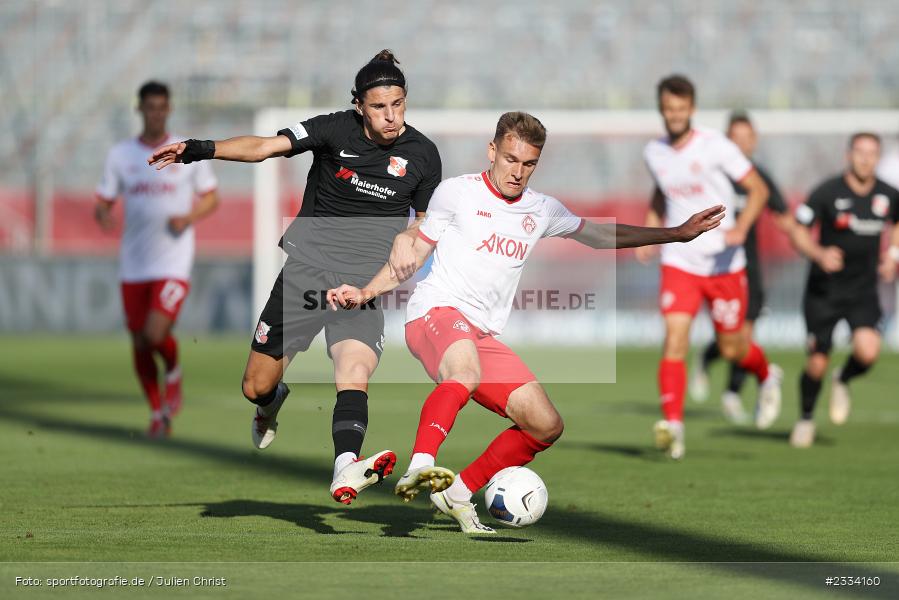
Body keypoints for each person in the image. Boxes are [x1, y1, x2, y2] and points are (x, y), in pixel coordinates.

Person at [327, 112, 724, 533]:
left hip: (481, 333)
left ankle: (458, 492)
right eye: (511, 159)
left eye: (529, 163)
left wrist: (675, 234)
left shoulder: (542, 209)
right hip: (435, 313)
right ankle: (422, 465)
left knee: (545, 424)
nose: (518, 172)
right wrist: (367, 292)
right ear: (492, 151)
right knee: (464, 372)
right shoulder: (456, 194)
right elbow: (414, 256)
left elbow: (601, 236)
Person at [149, 50, 442, 504]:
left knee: (354, 370)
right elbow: (264, 147)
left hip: (360, 286)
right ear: (360, 105)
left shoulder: (423, 154)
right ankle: (271, 402)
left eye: (399, 104)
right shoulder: (333, 128)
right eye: (380, 106)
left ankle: (345, 466)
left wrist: (412, 235)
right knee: (255, 386)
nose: (391, 116)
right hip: (305, 275)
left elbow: (426, 224)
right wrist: (197, 149)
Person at [635, 75, 783, 460]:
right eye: (669, 109)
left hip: (723, 263)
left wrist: (741, 229)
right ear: (661, 110)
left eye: (681, 109)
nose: (675, 115)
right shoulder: (654, 152)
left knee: (733, 349)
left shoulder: (716, 146)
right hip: (680, 260)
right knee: (675, 340)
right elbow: (661, 188)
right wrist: (652, 230)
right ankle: (674, 427)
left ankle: (767, 375)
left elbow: (759, 190)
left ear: (692, 110)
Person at [95, 81, 219, 438]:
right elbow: (102, 201)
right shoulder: (121, 155)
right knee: (138, 340)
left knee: (154, 332)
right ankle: (157, 411)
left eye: (162, 107)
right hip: (134, 263)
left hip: (173, 262)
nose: (156, 113)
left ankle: (175, 372)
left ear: (168, 109)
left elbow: (211, 198)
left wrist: (188, 218)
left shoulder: (183, 151)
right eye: (150, 107)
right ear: (140, 109)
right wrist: (103, 216)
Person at [787, 132, 899, 448]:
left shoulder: (888, 194)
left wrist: (892, 255)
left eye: (872, 153)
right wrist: (818, 253)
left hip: (863, 290)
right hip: (824, 291)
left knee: (868, 351)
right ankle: (806, 419)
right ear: (848, 155)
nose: (865, 159)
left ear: (878, 157)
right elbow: (798, 230)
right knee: (817, 363)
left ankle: (844, 378)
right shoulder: (827, 192)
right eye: (860, 152)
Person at [689, 111, 794, 424]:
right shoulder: (709, 174)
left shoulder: (758, 177)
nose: (742, 144)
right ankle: (706, 361)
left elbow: (783, 215)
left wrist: (810, 246)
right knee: (730, 342)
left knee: (743, 338)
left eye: (747, 138)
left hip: (748, 269)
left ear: (754, 142)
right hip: (712, 268)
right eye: (735, 138)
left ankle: (733, 394)